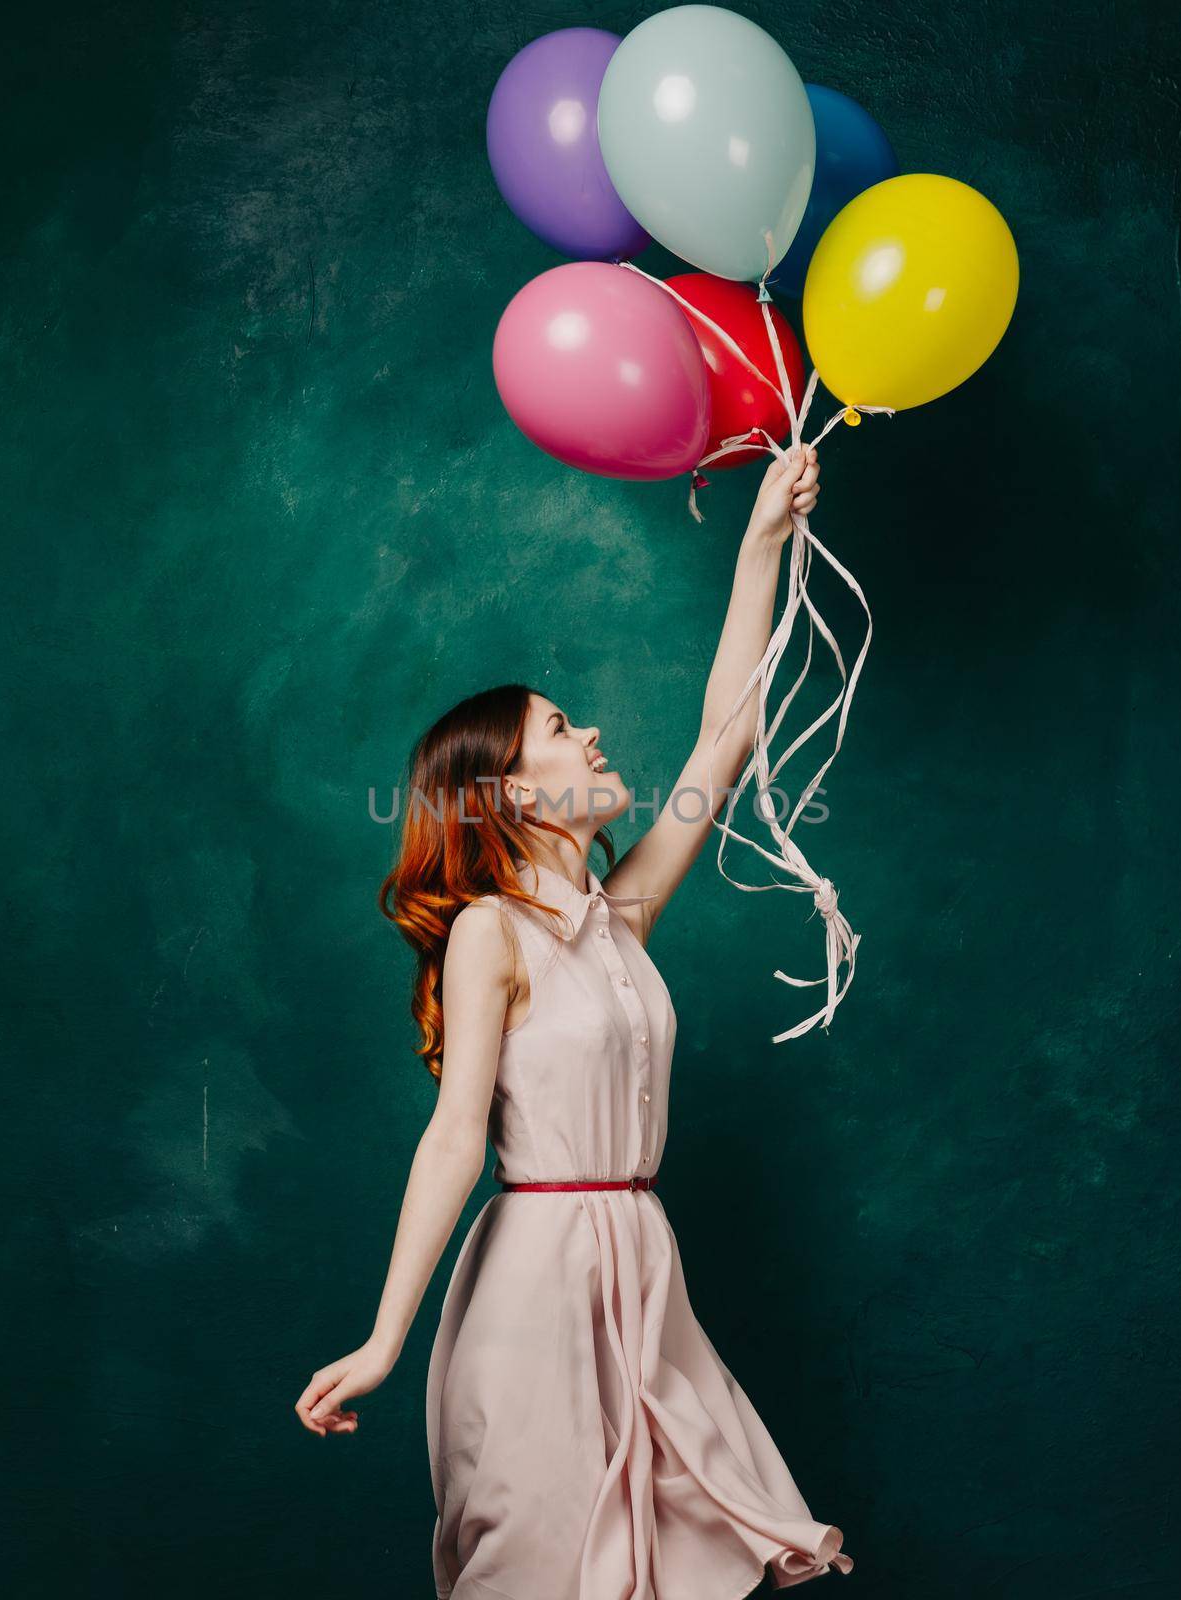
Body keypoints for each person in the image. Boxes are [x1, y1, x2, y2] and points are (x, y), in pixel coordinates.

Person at [295, 443, 855, 1596]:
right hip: (537, 1289)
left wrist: (761, 543)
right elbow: (455, 1139)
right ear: (505, 792)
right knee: (545, 1567)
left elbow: (725, 740)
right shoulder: (488, 933)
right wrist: (385, 1340)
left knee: (666, 1564)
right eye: (559, 727)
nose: (592, 734)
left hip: (643, 1276)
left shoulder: (617, 916)